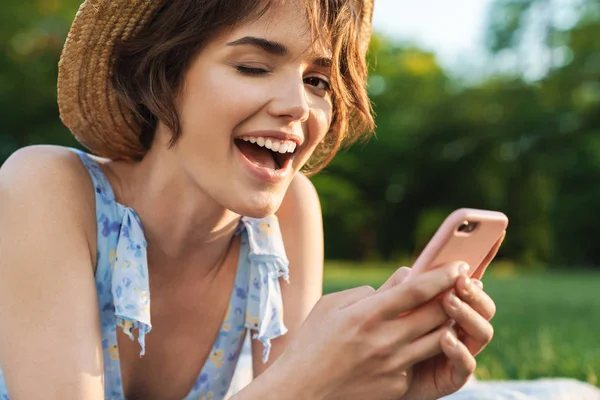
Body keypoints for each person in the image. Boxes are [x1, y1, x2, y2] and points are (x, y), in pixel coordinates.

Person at [0, 1, 597, 399]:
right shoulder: (47, 188)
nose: (298, 106)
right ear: (161, 79)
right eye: (255, 66)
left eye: (318, 79)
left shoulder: (290, 214)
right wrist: (305, 382)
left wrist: (370, 389)